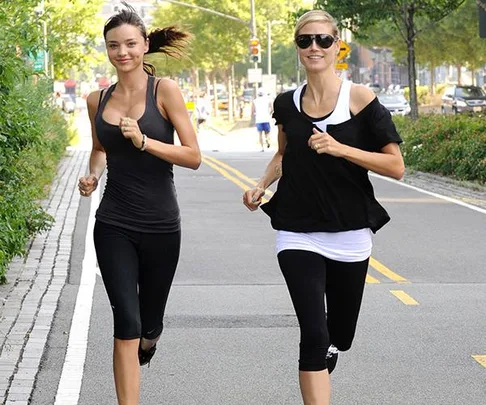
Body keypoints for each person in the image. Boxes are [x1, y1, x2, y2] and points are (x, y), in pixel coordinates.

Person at [243, 9, 404, 405]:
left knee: (340, 334)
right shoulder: (285, 103)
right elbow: (283, 155)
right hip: (296, 230)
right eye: (305, 41)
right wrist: (260, 185)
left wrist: (340, 148)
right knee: (313, 333)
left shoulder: (360, 99)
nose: (314, 47)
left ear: (337, 46)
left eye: (323, 40)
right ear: (298, 48)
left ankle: (334, 345)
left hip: (349, 232)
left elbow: (396, 166)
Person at [77, 3, 201, 404]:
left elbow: (193, 156)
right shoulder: (97, 100)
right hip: (113, 221)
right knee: (125, 322)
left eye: (130, 44)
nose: (122, 52)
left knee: (148, 325)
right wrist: (93, 176)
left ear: (145, 45)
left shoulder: (164, 91)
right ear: (107, 50)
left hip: (162, 225)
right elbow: (99, 149)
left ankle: (151, 340)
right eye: (114, 46)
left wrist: (145, 141)